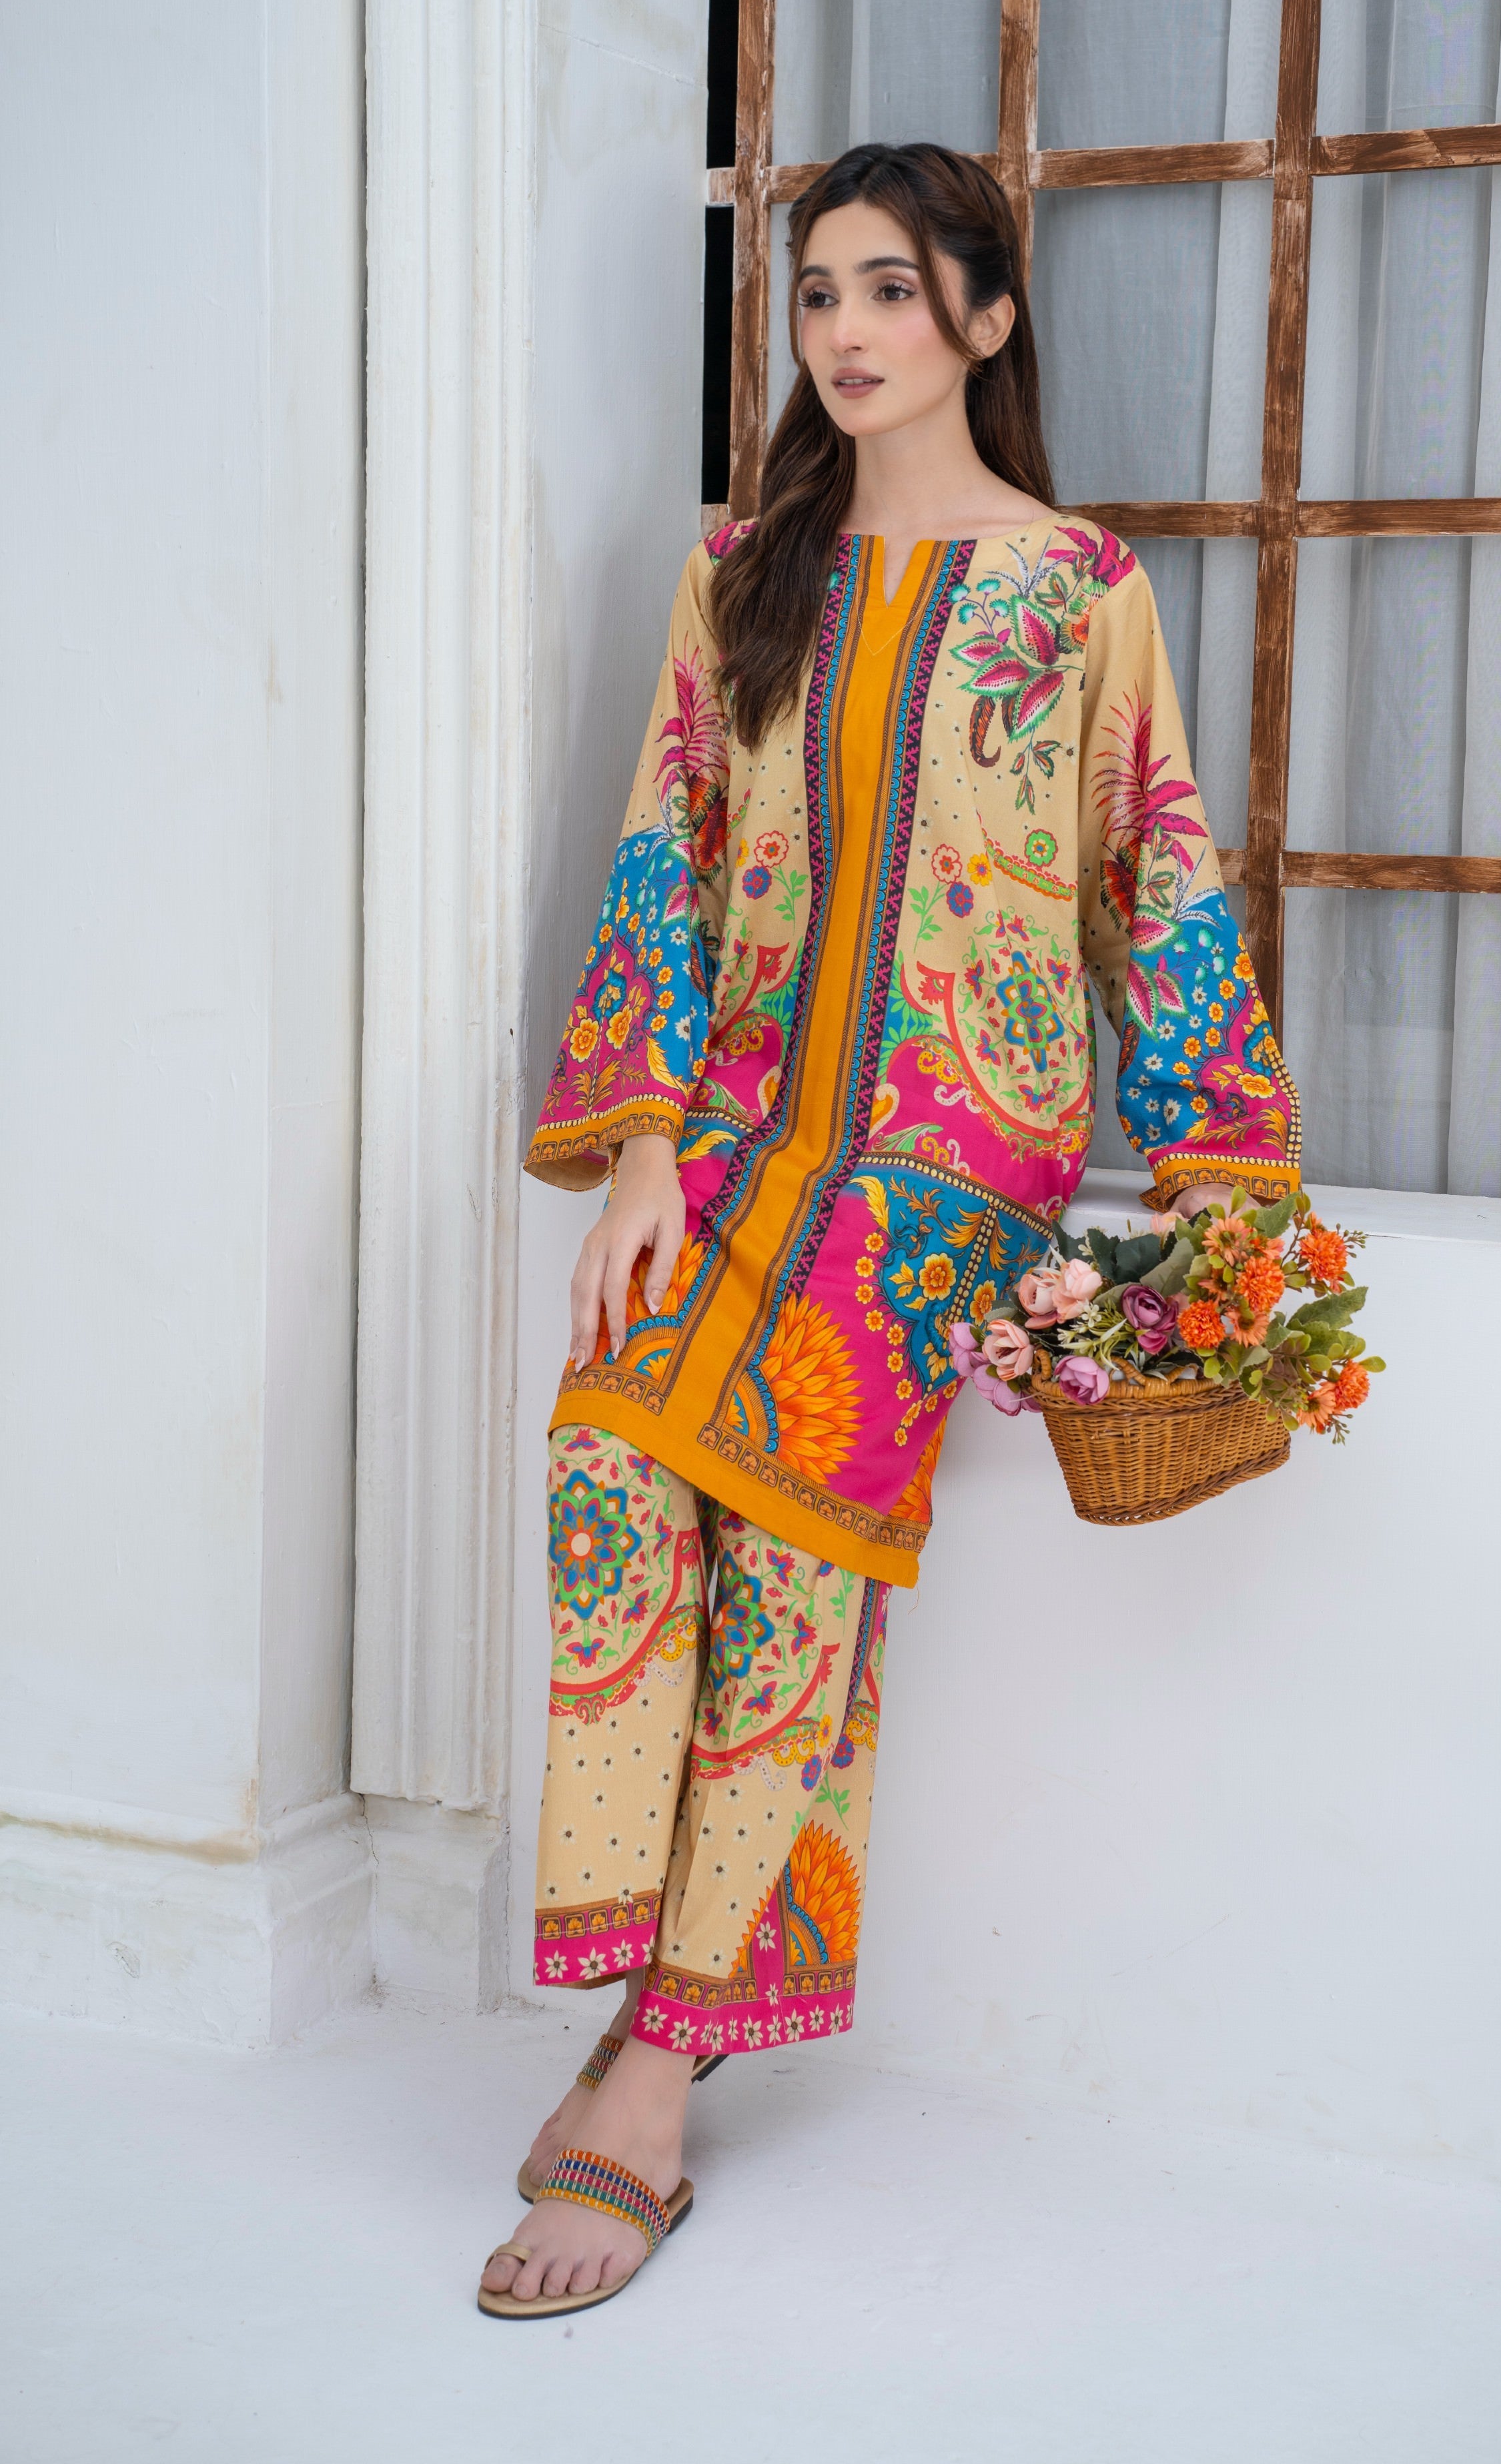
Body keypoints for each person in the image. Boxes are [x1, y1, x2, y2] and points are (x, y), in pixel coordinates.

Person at [478, 141, 1300, 2316]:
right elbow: (666, 845)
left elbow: (1153, 881)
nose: (847, 331)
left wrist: (1226, 1193)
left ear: (985, 321)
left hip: (954, 1158)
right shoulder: (743, 571)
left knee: (792, 1574)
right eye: (821, 293)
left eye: (892, 291)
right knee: (608, 1469)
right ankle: (650, 1989)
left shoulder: (1079, 588)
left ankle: (657, 2082)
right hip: (731, 1130)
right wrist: (641, 1143)